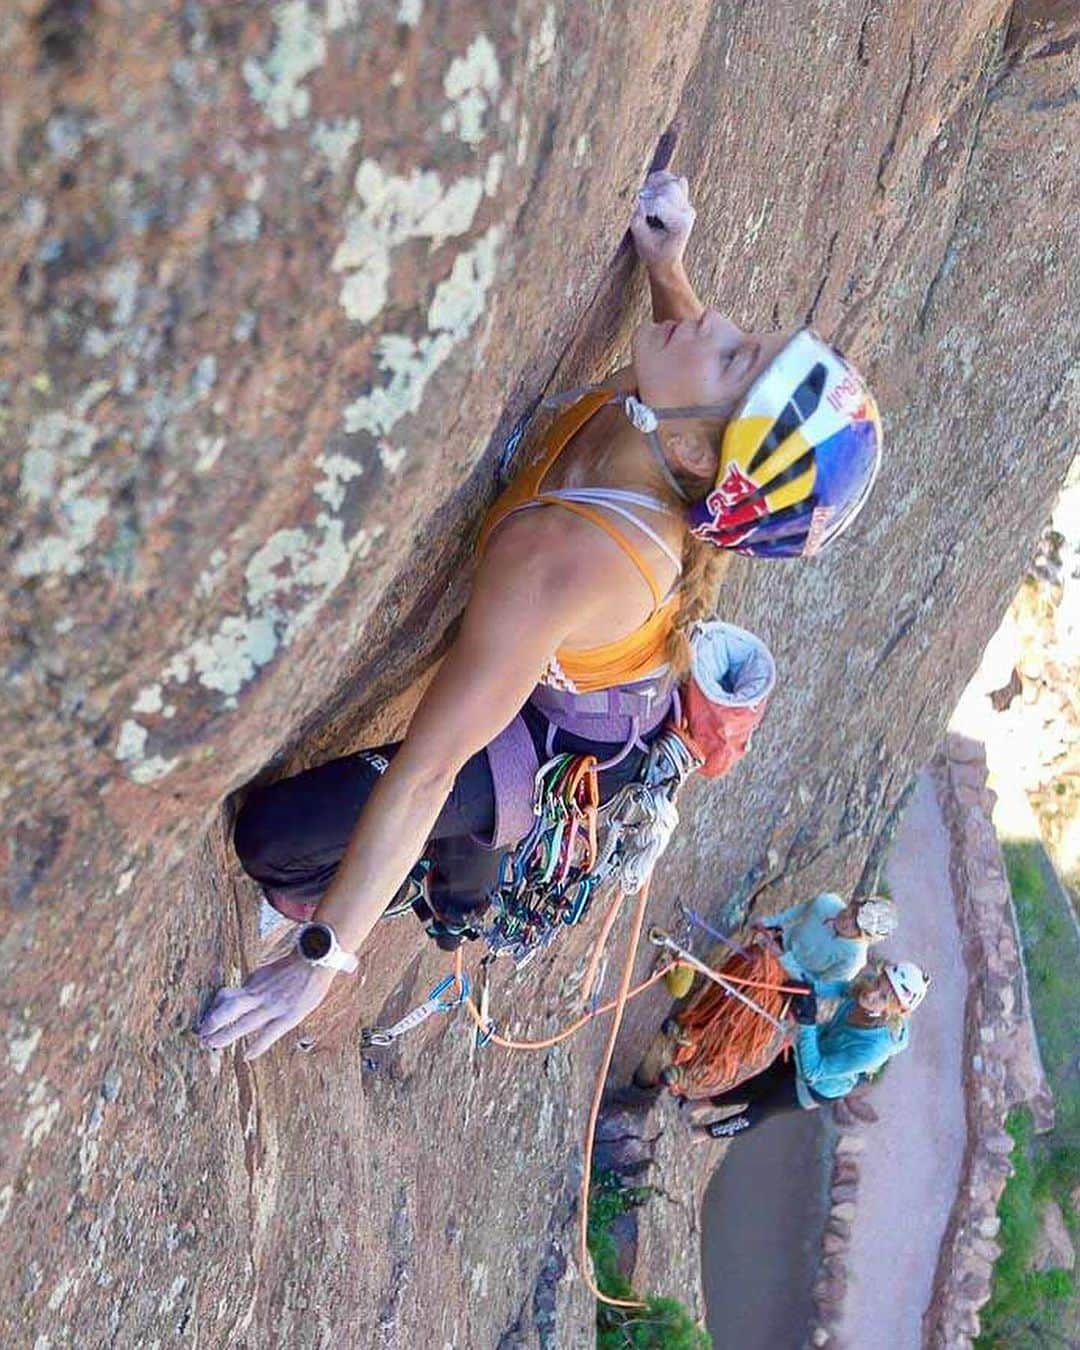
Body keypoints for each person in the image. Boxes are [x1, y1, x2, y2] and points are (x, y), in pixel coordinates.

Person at [196, 171, 884, 1061]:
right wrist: (666, 266)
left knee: (276, 838)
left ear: (691, 446)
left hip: (570, 747)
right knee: (450, 789)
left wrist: (320, 957)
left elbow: (431, 764)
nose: (715, 323)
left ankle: (446, 890)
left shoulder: (567, 556)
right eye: (748, 343)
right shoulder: (677, 429)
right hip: (581, 682)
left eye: (734, 355)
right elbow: (701, 393)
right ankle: (458, 875)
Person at [694, 960, 930, 1140]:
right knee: (757, 1083)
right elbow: (842, 989)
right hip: (812, 1045)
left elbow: (813, 1071)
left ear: (896, 1010)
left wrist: (807, 1022)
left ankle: (702, 1133)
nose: (872, 992)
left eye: (884, 996)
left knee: (760, 1109)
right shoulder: (867, 987)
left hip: (818, 1085)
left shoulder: (874, 1049)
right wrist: (807, 989)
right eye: (879, 982)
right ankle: (699, 1105)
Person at [757, 892, 899, 997]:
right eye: (853, 911)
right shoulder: (826, 902)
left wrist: (784, 959)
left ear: (865, 938)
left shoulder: (852, 959)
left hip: (788, 983)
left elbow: (819, 987)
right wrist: (771, 922)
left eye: (856, 926)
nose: (847, 920)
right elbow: (801, 910)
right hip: (777, 945)